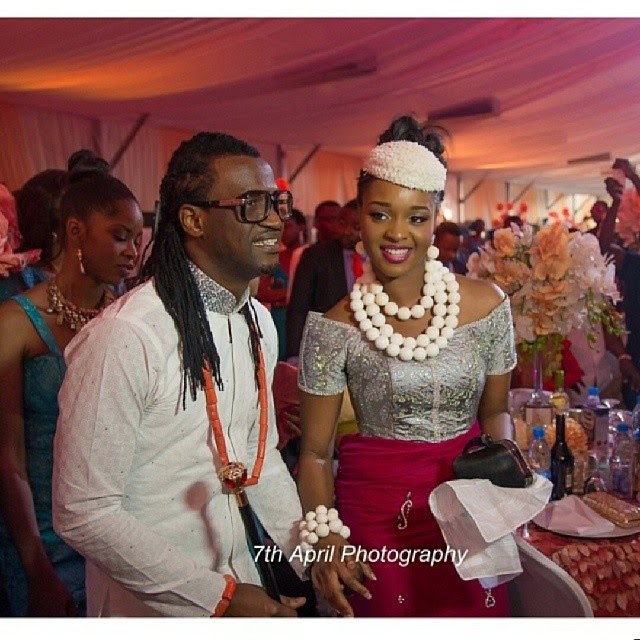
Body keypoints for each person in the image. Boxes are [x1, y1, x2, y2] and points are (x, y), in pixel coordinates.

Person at [52, 131, 307, 617]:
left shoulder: (255, 321)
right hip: (151, 603)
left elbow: (262, 461)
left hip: (243, 580)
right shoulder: (127, 335)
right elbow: (83, 511)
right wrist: (215, 598)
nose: (275, 219)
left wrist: (308, 558)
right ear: (193, 219)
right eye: (252, 204)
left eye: (277, 203)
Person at [296, 115, 516, 617]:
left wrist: (500, 470)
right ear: (358, 218)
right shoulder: (333, 327)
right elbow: (314, 453)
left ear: (435, 217)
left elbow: (496, 412)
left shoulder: (488, 305)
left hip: (468, 514)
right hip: (374, 523)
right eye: (380, 214)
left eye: (416, 217)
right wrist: (326, 538)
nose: (397, 233)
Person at [0, 151, 143, 616]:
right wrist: (36, 567)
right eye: (119, 237)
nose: (132, 252)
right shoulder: (16, 322)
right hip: (43, 539)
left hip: (121, 534)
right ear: (76, 231)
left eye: (137, 239)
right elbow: (9, 457)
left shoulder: (129, 318)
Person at [285, 200, 361, 361]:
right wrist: (294, 355)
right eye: (342, 223)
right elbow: (298, 308)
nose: (347, 231)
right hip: (326, 349)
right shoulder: (316, 256)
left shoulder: (380, 258)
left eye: (356, 226)